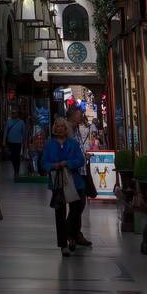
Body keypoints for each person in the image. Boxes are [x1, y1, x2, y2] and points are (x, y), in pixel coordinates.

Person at [42, 116, 85, 257]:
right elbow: (44, 163)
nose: (60, 128)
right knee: (59, 214)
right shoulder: (50, 144)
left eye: (62, 126)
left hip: (74, 181)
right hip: (58, 182)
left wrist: (68, 163)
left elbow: (80, 160)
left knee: (76, 210)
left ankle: (70, 235)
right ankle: (63, 245)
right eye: (58, 126)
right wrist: (53, 166)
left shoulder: (73, 143)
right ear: (55, 128)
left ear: (66, 129)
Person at [67, 106, 93, 247]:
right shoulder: (68, 129)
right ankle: (71, 233)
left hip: (81, 170)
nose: (81, 116)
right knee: (76, 205)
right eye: (79, 114)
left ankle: (76, 233)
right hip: (74, 173)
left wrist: (84, 155)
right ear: (72, 115)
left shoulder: (76, 128)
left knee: (79, 204)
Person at [2, 110, 26, 178]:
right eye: (12, 113)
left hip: (18, 142)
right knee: (12, 156)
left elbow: (23, 133)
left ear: (17, 114)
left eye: (15, 113)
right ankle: (15, 168)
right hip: (10, 142)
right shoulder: (8, 122)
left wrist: (24, 142)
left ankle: (17, 171)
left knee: (17, 156)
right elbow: (5, 132)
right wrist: (3, 141)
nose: (13, 114)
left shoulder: (21, 122)